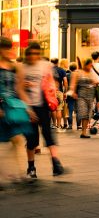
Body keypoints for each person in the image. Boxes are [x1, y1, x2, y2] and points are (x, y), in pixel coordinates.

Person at [22, 42, 65, 178]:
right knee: (32, 139)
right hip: (29, 106)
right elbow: (18, 88)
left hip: (42, 105)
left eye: (36, 53)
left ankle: (56, 164)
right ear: (27, 55)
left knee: (48, 133)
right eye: (31, 54)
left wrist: (49, 88)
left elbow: (54, 83)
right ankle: (31, 167)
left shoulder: (45, 66)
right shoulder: (22, 68)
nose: (34, 56)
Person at [0, 37, 34, 184]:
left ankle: (17, 172)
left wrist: (28, 107)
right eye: (6, 48)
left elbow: (20, 89)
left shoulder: (16, 67)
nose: (9, 51)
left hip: (12, 107)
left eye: (10, 48)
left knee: (17, 140)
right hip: (1, 106)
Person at [70, 58, 97, 139]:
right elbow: (73, 84)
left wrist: (95, 83)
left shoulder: (91, 72)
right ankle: (83, 131)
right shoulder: (77, 73)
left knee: (88, 114)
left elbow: (94, 82)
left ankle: (84, 132)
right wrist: (73, 92)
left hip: (90, 95)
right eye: (90, 65)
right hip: (81, 95)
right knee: (83, 112)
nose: (91, 66)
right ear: (85, 64)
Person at [50, 58, 68, 132]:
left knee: (52, 109)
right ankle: (58, 126)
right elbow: (65, 82)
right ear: (58, 63)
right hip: (59, 92)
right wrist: (65, 92)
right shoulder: (62, 70)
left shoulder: (48, 70)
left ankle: (53, 124)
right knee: (59, 109)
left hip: (50, 92)